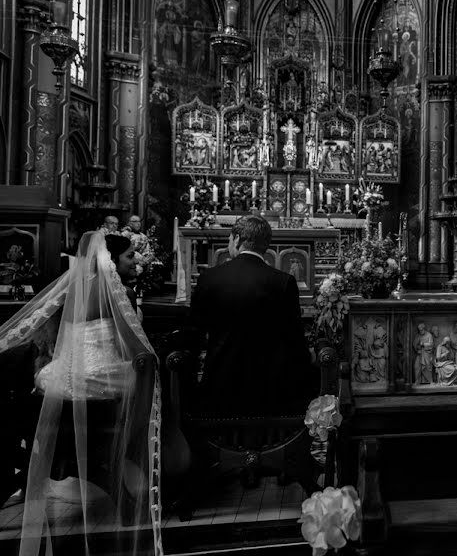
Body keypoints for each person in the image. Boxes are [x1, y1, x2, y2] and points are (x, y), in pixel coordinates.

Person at [0, 231, 162, 555]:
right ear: (111, 260)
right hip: (100, 380)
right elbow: (133, 346)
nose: (135, 261)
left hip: (61, 379)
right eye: (130, 255)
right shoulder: (120, 293)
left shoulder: (72, 290)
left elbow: (55, 337)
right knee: (151, 376)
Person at [189, 215, 315, 416]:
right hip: (270, 391)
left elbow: (194, 335)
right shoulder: (283, 282)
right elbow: (295, 341)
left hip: (220, 386)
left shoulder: (209, 278)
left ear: (237, 239)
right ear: (265, 245)